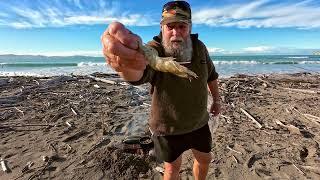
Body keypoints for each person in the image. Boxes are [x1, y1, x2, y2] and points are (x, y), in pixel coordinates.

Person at [101, 1, 221, 179]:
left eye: (182, 26)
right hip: (168, 128)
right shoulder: (154, 49)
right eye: (170, 26)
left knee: (205, 159)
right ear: (162, 27)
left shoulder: (200, 48)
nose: (176, 32)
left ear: (190, 27)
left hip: (199, 123)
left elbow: (211, 75)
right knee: (172, 169)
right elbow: (137, 73)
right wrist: (126, 65)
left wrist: (217, 99)